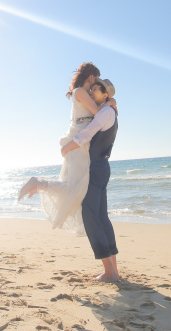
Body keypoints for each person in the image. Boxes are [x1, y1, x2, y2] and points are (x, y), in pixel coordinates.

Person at [17, 62, 115, 235]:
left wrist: (108, 103)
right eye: (95, 80)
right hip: (78, 141)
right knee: (76, 188)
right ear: (91, 77)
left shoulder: (83, 93)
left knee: (77, 187)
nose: (95, 85)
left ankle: (38, 184)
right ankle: (38, 183)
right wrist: (110, 104)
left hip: (81, 141)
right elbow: (97, 112)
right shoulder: (80, 92)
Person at [61, 78, 120, 282]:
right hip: (102, 167)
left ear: (106, 95)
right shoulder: (109, 111)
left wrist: (67, 148)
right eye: (93, 88)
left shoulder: (105, 112)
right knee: (102, 217)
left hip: (96, 168)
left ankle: (110, 272)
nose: (93, 91)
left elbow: (87, 133)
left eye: (97, 89)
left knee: (91, 218)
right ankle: (114, 271)